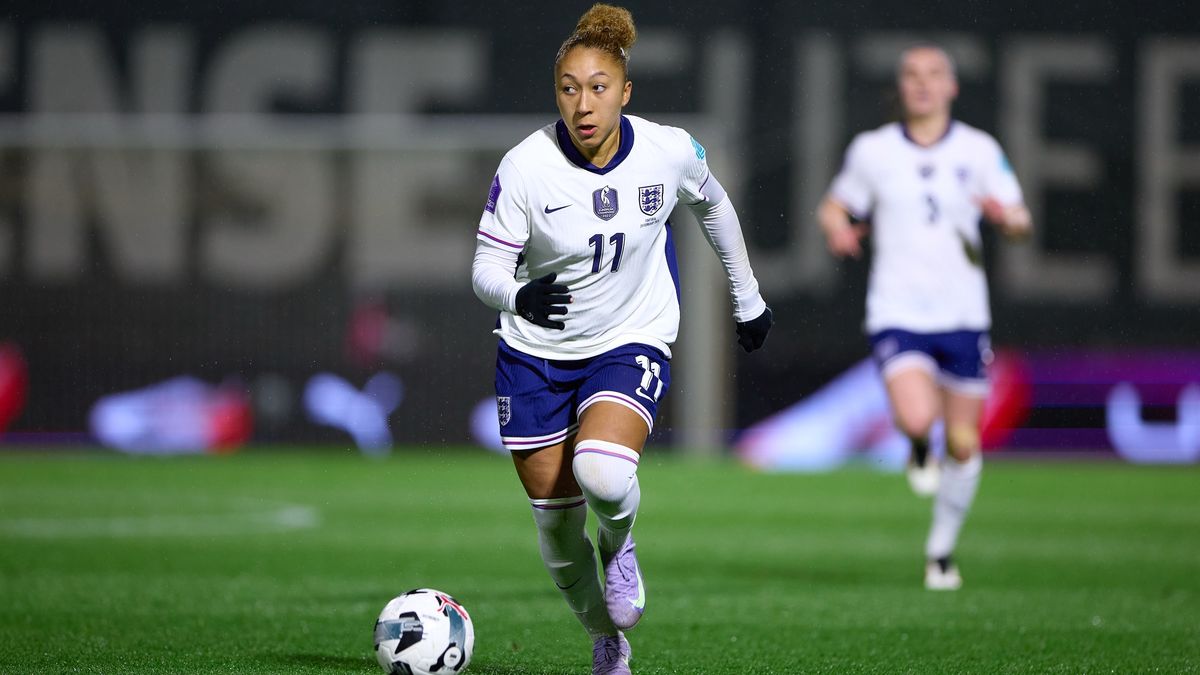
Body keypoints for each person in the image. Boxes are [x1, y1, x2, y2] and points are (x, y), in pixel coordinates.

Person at [471, 4, 772, 672]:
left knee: (603, 472)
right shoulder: (525, 167)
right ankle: (605, 637)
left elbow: (714, 203)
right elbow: (485, 270)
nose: (583, 103)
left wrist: (746, 295)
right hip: (534, 356)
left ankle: (622, 542)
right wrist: (519, 293)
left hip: (628, 337)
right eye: (569, 88)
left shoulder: (666, 150)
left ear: (625, 91)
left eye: (598, 86)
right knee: (555, 533)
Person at [818, 44, 1031, 591]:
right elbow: (835, 204)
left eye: (935, 74)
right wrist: (838, 227)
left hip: (962, 315)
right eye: (912, 74)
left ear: (952, 87)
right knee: (917, 418)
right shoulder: (874, 150)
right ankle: (916, 443)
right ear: (901, 86)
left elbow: (1020, 217)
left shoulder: (980, 150)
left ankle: (940, 551)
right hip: (898, 310)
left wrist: (1008, 220)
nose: (923, 83)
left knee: (962, 443)